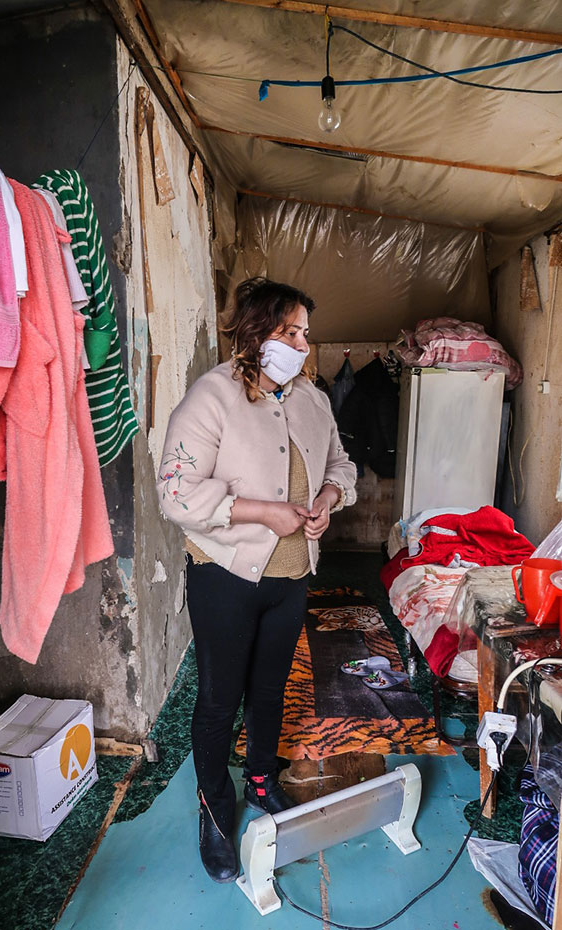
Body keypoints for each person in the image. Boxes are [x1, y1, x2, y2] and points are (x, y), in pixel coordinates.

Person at [156, 277, 357, 883]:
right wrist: (262, 512)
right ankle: (215, 806)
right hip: (225, 577)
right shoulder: (212, 397)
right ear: (255, 332)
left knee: (270, 690)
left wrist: (327, 498)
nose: (302, 346)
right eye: (289, 332)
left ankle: (263, 779)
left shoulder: (311, 399)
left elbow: (340, 463)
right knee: (220, 698)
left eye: (304, 334)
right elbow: (176, 493)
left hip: (291, 576)